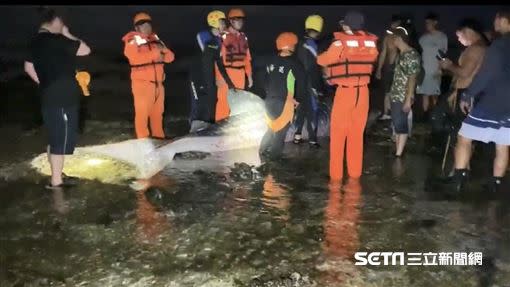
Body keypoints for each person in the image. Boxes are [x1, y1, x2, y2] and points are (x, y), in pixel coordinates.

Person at [24, 7, 91, 189]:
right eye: (62, 24)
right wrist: (68, 34)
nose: (63, 26)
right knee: (60, 141)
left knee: (54, 136)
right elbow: (85, 50)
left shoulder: (35, 41)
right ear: (55, 21)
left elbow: (28, 68)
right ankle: (56, 183)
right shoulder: (59, 40)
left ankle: (56, 174)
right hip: (62, 98)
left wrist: (46, 83)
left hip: (49, 95)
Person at [450, 10, 510, 193]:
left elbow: (487, 74)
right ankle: (496, 183)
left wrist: (469, 94)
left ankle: (459, 178)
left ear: (503, 20)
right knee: (503, 143)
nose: (494, 23)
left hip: (493, 100)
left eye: (496, 20)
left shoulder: (499, 46)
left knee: (464, 136)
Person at [317, 11, 379, 182]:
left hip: (345, 92)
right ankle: (354, 176)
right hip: (364, 93)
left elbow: (322, 60)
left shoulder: (340, 43)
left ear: (346, 26)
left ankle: (336, 179)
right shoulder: (370, 44)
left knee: (338, 137)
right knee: (356, 136)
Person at [122, 12, 175, 139]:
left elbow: (170, 58)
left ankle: (159, 140)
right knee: (142, 116)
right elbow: (134, 58)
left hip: (158, 86)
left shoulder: (155, 39)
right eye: (143, 25)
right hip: (142, 85)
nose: (147, 28)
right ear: (137, 28)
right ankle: (143, 143)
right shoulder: (132, 40)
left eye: (148, 25)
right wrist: (157, 52)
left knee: (158, 115)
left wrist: (164, 50)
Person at [259, 32, 305, 159]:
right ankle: (273, 164)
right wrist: (299, 100)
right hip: (285, 102)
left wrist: (267, 94)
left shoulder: (271, 60)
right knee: (280, 133)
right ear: (290, 45)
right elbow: (302, 83)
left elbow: (263, 80)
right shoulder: (295, 63)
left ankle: (261, 153)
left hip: (269, 101)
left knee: (270, 129)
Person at [189, 10, 235, 133]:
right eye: (222, 22)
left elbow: (218, 62)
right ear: (214, 22)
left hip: (209, 76)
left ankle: (207, 132)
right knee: (199, 104)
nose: (224, 25)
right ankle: (193, 132)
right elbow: (206, 55)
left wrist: (229, 83)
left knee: (211, 102)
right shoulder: (203, 36)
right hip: (198, 76)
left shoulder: (217, 40)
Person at [387, 26, 421, 157]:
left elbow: (412, 78)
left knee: (401, 123)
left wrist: (408, 98)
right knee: (397, 122)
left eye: (393, 37)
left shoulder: (411, 55)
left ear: (399, 38)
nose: (391, 40)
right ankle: (398, 151)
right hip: (396, 93)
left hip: (403, 94)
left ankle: (398, 154)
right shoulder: (401, 54)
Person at [292, 15, 325, 148]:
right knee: (313, 110)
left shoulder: (300, 43)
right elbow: (314, 67)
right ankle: (312, 139)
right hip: (310, 82)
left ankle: (297, 136)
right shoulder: (311, 45)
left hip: (299, 83)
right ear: (318, 29)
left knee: (301, 109)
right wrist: (319, 86)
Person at [216, 8, 253, 122]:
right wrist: (219, 77)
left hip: (240, 74)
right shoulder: (223, 36)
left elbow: (247, 59)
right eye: (238, 20)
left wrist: (250, 76)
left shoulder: (243, 37)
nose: (241, 22)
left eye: (242, 20)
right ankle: (219, 126)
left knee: (238, 103)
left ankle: (233, 127)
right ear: (231, 21)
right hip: (226, 73)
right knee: (224, 102)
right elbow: (218, 59)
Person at [417, 13, 448, 117]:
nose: (427, 24)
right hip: (424, 69)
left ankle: (435, 114)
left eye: (429, 22)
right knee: (425, 93)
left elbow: (443, 54)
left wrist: (440, 68)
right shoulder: (423, 38)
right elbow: (419, 53)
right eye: (426, 23)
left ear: (435, 22)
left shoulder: (442, 37)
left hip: (435, 69)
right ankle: (425, 114)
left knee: (435, 94)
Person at [375, 15, 402, 121]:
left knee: (395, 92)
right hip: (388, 68)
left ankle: (395, 113)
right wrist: (378, 69)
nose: (394, 25)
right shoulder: (387, 37)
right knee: (387, 91)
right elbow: (383, 53)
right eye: (393, 23)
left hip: (398, 68)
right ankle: (386, 113)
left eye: (396, 23)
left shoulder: (402, 37)